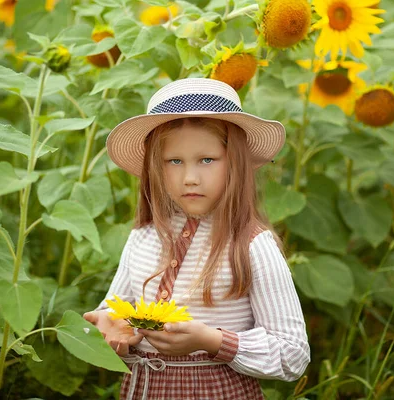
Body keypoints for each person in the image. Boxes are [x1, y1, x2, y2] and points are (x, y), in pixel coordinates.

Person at [83, 78, 310, 400]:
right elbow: (114, 308)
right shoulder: (144, 237)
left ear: (235, 163)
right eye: (174, 161)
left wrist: (212, 341)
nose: (190, 178)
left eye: (207, 160)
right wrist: (108, 323)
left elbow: (292, 356)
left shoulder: (250, 245)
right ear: (155, 168)